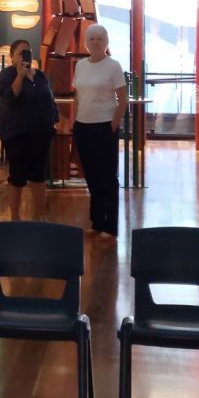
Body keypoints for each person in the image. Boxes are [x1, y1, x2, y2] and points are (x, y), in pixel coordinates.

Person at [72, 24, 128, 238]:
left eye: (100, 39)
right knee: (91, 175)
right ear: (86, 42)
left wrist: (113, 124)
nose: (95, 42)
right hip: (83, 126)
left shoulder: (113, 66)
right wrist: (75, 122)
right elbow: (78, 96)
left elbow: (123, 100)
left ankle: (110, 225)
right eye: (92, 38)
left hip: (104, 126)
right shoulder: (80, 65)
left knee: (107, 177)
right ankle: (97, 221)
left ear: (106, 42)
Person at [0, 39, 59, 221]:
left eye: (28, 52)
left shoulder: (40, 76)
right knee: (17, 176)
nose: (25, 56)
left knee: (38, 176)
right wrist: (20, 75)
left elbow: (49, 98)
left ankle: (39, 216)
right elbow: (8, 99)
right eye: (21, 53)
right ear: (12, 57)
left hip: (41, 133)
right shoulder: (6, 75)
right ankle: (15, 218)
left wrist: (54, 120)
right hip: (17, 134)